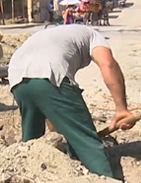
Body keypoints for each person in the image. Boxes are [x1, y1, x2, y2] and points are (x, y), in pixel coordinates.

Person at [8, 24, 135, 178]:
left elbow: (52, 108)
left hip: (16, 79)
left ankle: (28, 177)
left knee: (31, 146)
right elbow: (107, 63)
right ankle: (105, 177)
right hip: (49, 74)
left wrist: (65, 133)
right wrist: (121, 108)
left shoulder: (48, 36)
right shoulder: (93, 35)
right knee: (87, 143)